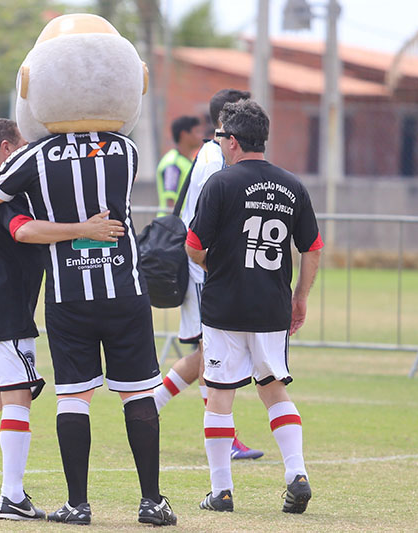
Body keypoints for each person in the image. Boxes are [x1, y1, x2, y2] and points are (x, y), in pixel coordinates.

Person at [0, 130, 177, 526]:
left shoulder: (31, 161)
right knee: (129, 392)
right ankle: (16, 496)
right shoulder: (126, 148)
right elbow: (22, 229)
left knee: (28, 397)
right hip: (111, 289)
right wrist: (82, 227)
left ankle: (64, 503)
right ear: (6, 148)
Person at [185, 100, 323, 514]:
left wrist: (217, 263)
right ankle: (296, 474)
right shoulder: (292, 185)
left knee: (221, 395)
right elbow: (312, 247)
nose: (219, 142)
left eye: (220, 135)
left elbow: (193, 246)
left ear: (232, 141)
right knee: (274, 389)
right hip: (271, 306)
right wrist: (300, 296)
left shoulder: (221, 184)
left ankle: (221, 491)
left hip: (224, 306)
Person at [152, 89, 264, 460]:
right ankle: (224, 437)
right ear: (228, 119)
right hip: (201, 269)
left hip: (199, 267)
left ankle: (147, 407)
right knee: (212, 354)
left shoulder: (212, 154)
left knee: (205, 354)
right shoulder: (216, 159)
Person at [155, 115, 204, 215]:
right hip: (172, 227)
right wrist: (173, 227)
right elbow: (170, 200)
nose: (201, 136)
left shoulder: (189, 161)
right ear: (184, 134)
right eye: (197, 132)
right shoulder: (172, 163)